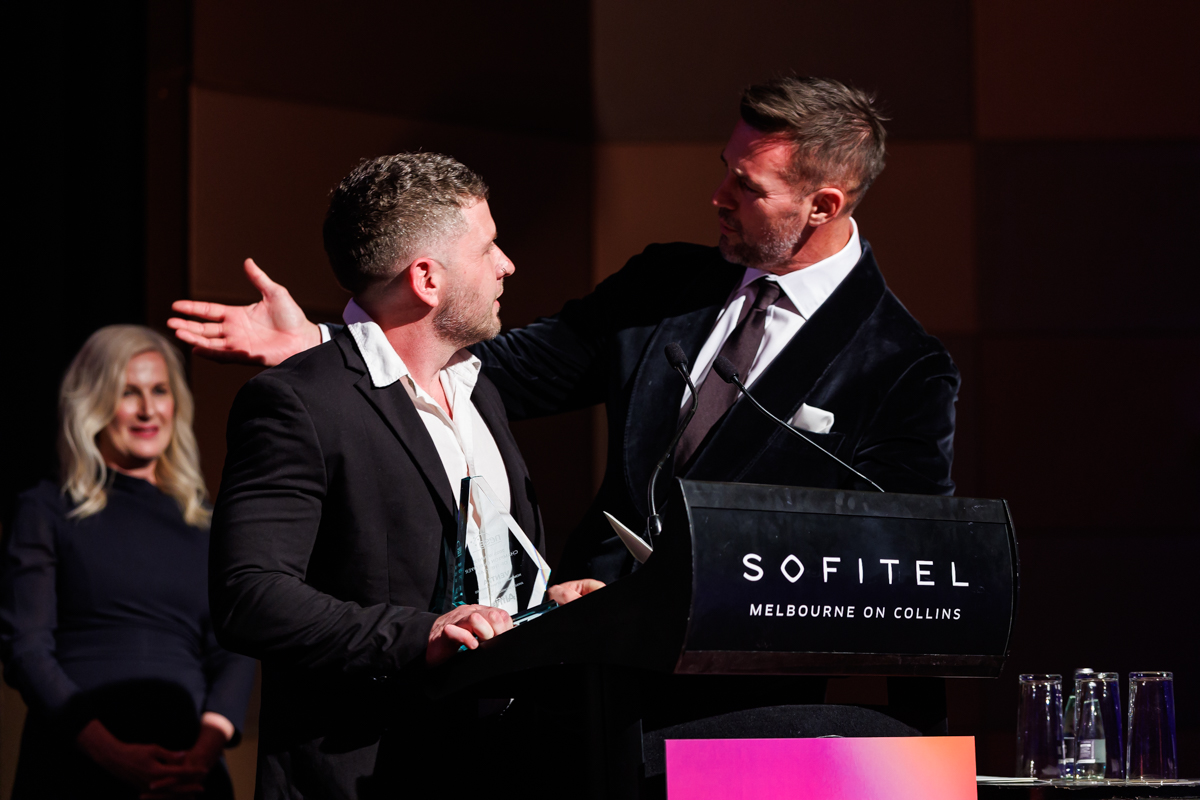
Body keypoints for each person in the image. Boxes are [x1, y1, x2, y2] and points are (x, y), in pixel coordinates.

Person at [172, 77, 958, 733]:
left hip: (731, 716)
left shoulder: (903, 369)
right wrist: (328, 343)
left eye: (747, 188)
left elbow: (896, 579)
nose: (717, 196)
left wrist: (918, 750)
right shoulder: (666, 282)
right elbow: (497, 372)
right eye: (725, 168)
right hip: (576, 688)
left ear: (822, 205)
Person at [207, 152, 600, 799]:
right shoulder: (297, 402)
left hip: (499, 760)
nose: (506, 265)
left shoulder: (479, 390)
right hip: (368, 771)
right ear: (426, 277)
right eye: (488, 248)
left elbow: (475, 579)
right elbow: (249, 597)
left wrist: (543, 611)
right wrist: (422, 634)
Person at [0, 325, 256, 799]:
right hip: (75, 760)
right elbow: (27, 648)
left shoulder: (207, 523)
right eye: (127, 392)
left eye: (159, 390)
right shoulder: (45, 509)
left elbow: (235, 649)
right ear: (93, 403)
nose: (147, 409)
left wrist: (202, 753)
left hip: (187, 768)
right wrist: (110, 753)